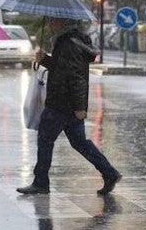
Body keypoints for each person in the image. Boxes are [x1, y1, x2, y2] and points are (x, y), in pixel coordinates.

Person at [16, 17, 122, 195]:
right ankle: (109, 173)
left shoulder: (67, 44)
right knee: (79, 142)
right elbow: (62, 68)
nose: (49, 24)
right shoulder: (70, 41)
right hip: (67, 103)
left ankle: (41, 182)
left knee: (45, 139)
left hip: (61, 103)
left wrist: (80, 107)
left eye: (53, 21)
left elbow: (75, 77)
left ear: (62, 22)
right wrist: (45, 60)